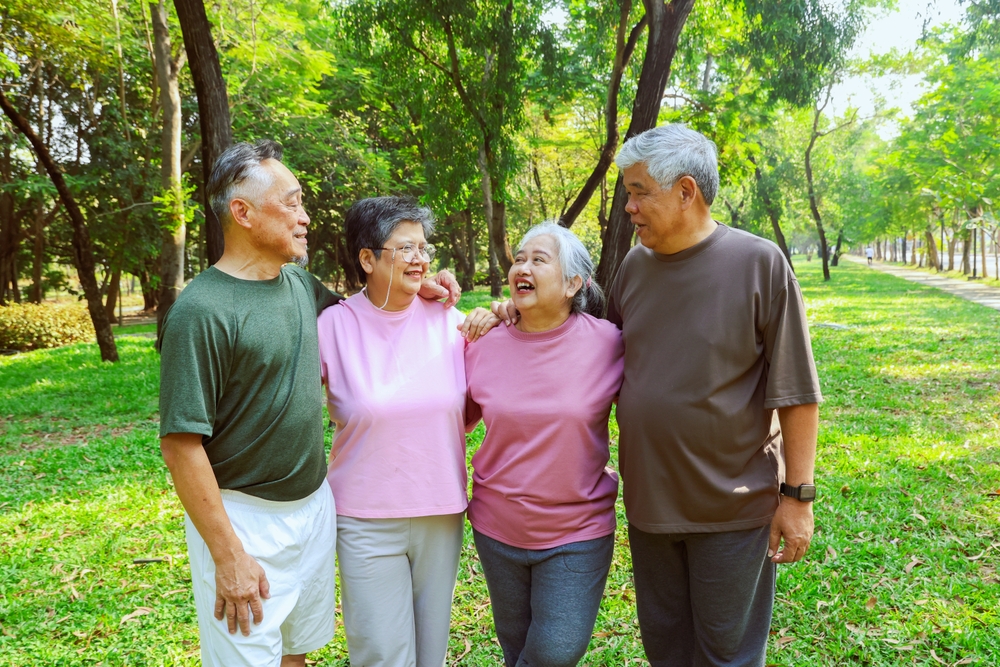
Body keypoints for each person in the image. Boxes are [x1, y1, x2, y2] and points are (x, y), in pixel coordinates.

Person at [157, 141, 460, 667]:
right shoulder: (201, 310)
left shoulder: (298, 284)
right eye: (292, 203)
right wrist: (228, 555)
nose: (305, 217)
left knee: (297, 653)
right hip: (243, 518)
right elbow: (181, 446)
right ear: (243, 212)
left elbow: (368, 310)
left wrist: (422, 282)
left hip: (314, 508)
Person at [602, 124, 822, 667]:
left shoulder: (760, 263)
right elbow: (592, 349)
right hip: (650, 507)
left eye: (637, 192)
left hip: (733, 508)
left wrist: (798, 498)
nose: (628, 207)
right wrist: (515, 314)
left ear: (685, 191)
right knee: (667, 651)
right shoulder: (634, 266)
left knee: (727, 655)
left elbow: (797, 393)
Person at [317, 196, 498, 667]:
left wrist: (500, 313)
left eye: (424, 247)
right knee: (381, 653)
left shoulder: (449, 321)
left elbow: (495, 375)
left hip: (440, 510)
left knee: (430, 654)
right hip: (363, 517)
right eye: (405, 248)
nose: (420, 258)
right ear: (367, 258)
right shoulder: (332, 325)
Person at [464, 223, 624, 667]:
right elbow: (449, 420)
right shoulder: (481, 344)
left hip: (578, 532)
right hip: (497, 529)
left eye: (539, 259)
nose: (523, 266)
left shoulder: (608, 343)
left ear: (574, 283)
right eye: (518, 258)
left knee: (553, 653)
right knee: (516, 650)